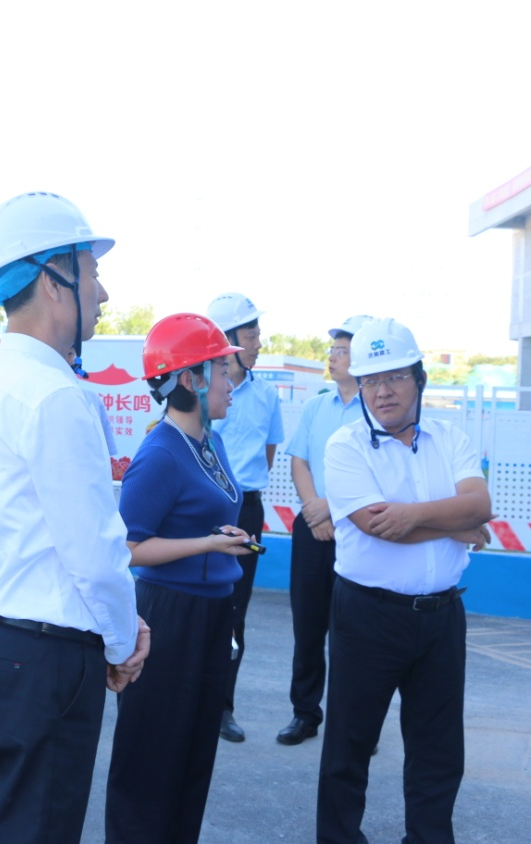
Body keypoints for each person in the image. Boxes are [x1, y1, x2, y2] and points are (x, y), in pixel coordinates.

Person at [0, 190, 148, 844]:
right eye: (92, 271)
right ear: (53, 278)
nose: (102, 293)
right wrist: (123, 642)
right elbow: (94, 550)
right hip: (48, 663)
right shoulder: (56, 396)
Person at [317, 317, 492, 844]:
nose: (382, 391)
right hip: (368, 616)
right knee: (349, 746)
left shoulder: (451, 438)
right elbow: (378, 527)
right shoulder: (345, 445)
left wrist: (414, 515)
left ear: (419, 378)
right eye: (370, 380)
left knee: (439, 749)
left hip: (442, 616)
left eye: (394, 377)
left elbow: (479, 505)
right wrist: (456, 526)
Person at [105, 313, 254, 843]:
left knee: (193, 756)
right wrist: (208, 544)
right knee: (151, 758)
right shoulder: (160, 454)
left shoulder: (211, 442)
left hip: (212, 612)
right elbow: (128, 549)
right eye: (222, 370)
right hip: (169, 616)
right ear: (189, 380)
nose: (230, 381)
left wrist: (221, 537)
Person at [276, 315, 370, 748]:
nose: (332, 358)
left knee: (357, 632)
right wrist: (314, 511)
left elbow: (380, 475)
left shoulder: (378, 408)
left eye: (342, 351)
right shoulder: (317, 406)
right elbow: (299, 460)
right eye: (332, 350)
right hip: (313, 529)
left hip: (360, 530)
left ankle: (356, 724)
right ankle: (305, 713)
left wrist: (331, 508)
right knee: (308, 625)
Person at [205, 292, 284, 743]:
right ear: (228, 338)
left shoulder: (267, 394)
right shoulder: (198, 387)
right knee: (194, 601)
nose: (258, 342)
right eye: (251, 334)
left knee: (235, 610)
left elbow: (266, 455)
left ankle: (222, 707)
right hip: (202, 508)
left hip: (246, 507)